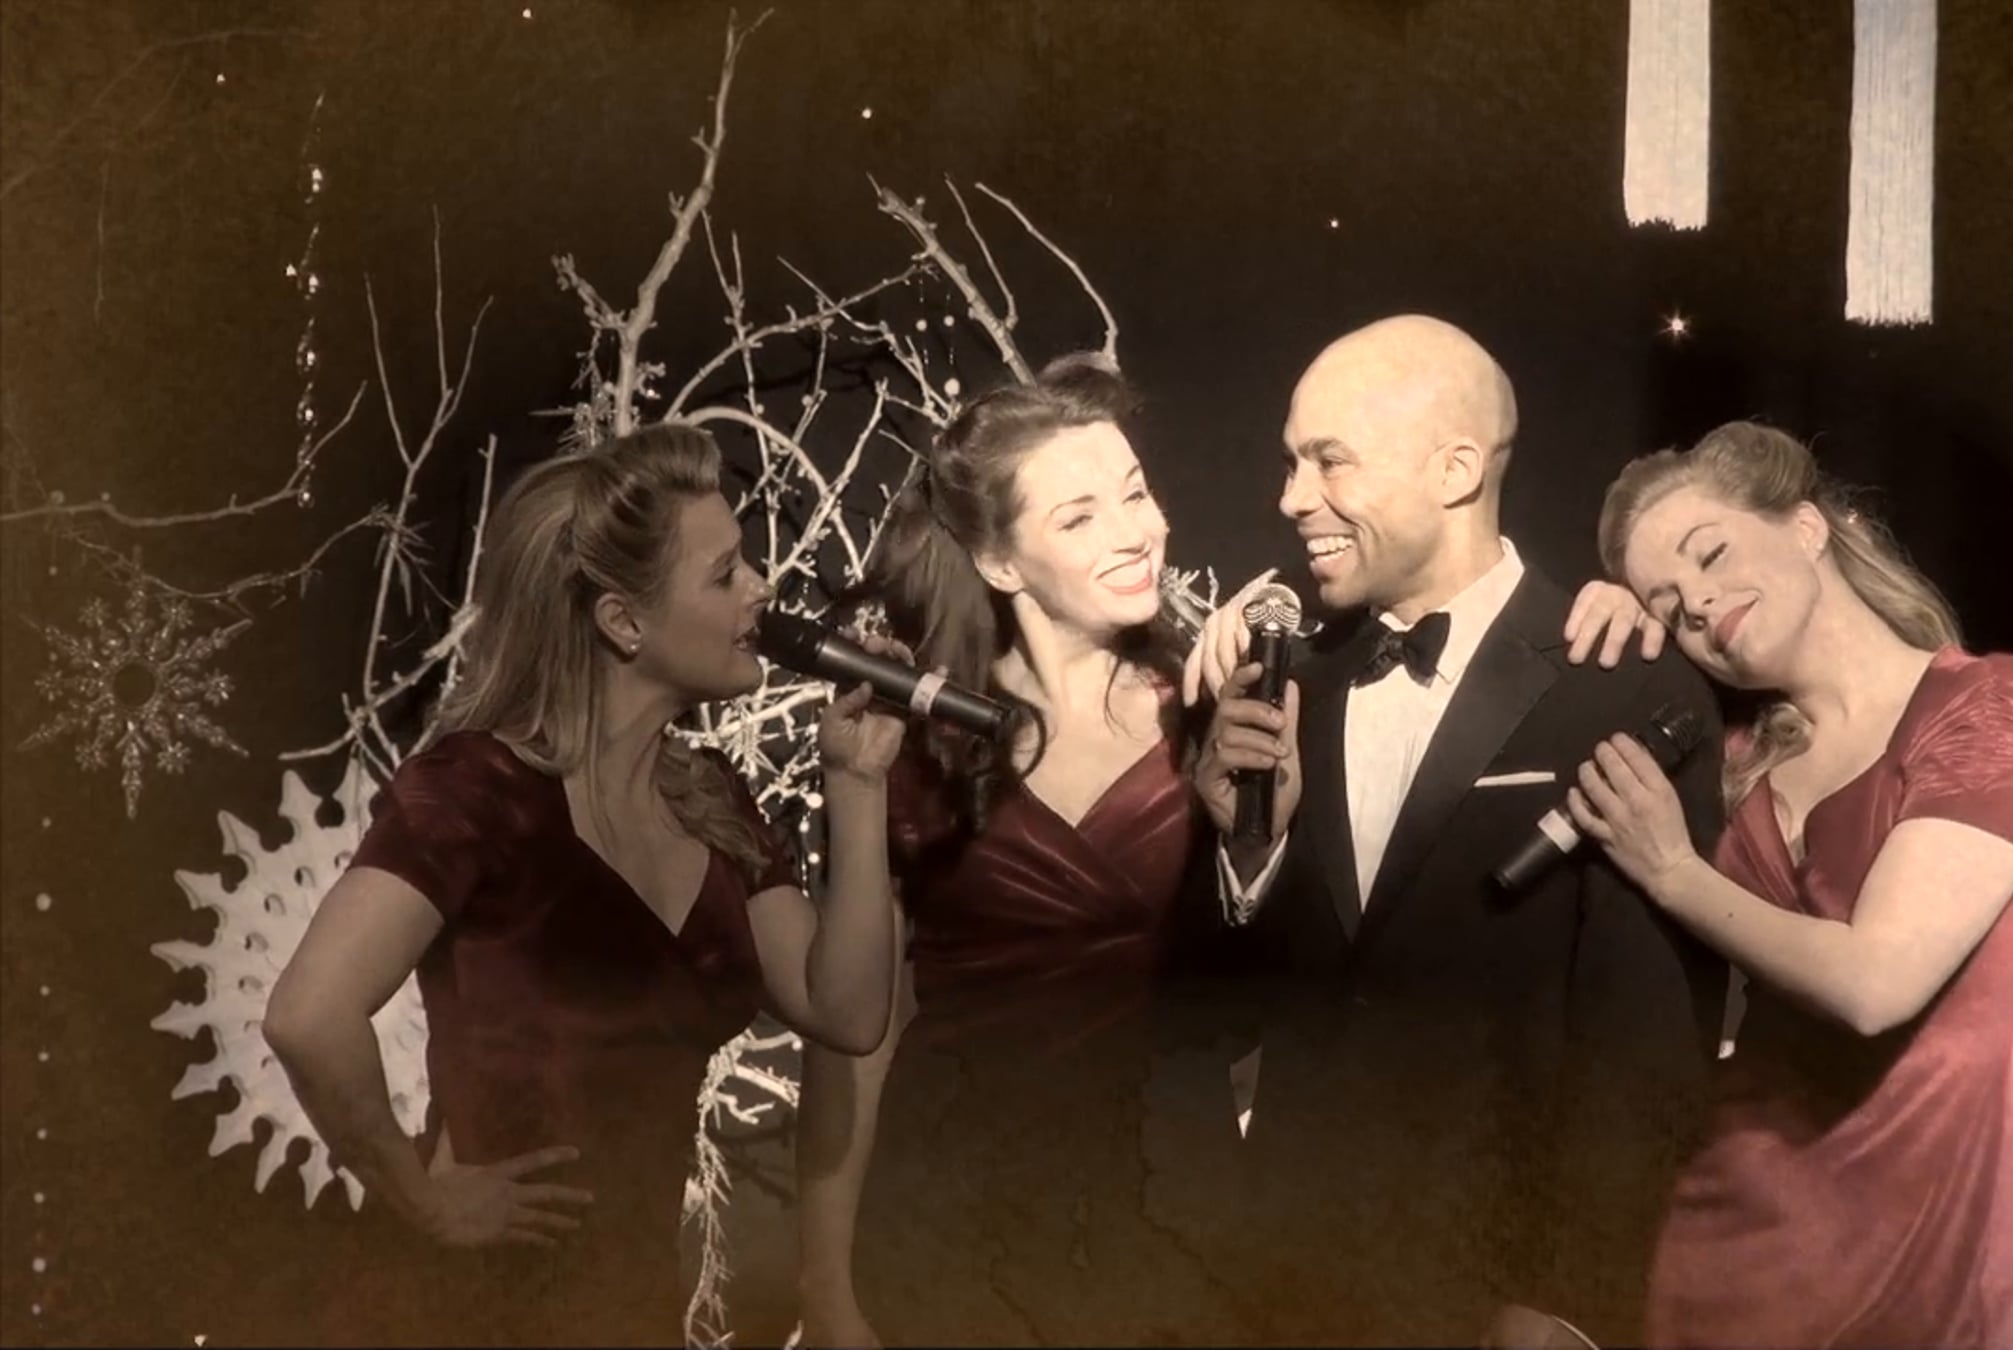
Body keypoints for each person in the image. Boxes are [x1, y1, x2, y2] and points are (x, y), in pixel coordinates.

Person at [262, 425, 903, 1348]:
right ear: (623, 623)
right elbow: (308, 1014)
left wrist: (859, 784)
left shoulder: (711, 799)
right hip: (470, 1313)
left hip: (629, 1309)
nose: (761, 589)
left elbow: (844, 1010)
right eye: (724, 574)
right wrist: (423, 1201)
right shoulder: (480, 790)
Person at [1185, 314, 1729, 1347]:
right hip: (1273, 1280)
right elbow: (1214, 1003)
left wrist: (1567, 1301)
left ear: (1456, 470)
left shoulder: (1623, 683)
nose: (1292, 498)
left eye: (1328, 460)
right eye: (1291, 463)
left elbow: (1644, 1046)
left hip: (1493, 1285)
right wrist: (1248, 852)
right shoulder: (1285, 679)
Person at [1559, 420, 2013, 1349]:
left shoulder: (1998, 709)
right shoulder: (1723, 768)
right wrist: (1607, 652)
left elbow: (1874, 984)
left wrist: (1676, 873)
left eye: (1710, 554)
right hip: (1712, 1249)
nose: (1698, 604)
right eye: (1670, 607)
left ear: (1805, 527)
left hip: (1924, 1274)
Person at [793, 354, 1240, 1348]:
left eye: (1135, 493)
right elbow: (853, 1043)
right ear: (1000, 564)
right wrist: (825, 1288)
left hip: (1165, 1234)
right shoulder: (911, 748)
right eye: (1079, 517)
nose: (1136, 530)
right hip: (950, 1235)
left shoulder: (1217, 721)